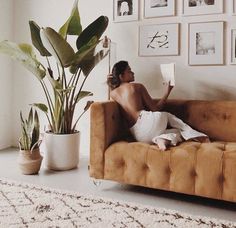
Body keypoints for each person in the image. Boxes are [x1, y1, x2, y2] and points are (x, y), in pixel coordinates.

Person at [107, 60, 209, 151]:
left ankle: (162, 139)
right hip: (147, 122)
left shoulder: (112, 94)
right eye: (129, 70)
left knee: (178, 131)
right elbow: (156, 109)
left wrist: (110, 84)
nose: (133, 72)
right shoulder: (137, 87)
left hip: (139, 136)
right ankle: (199, 136)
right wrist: (167, 91)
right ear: (121, 76)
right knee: (168, 116)